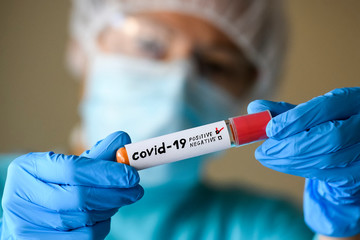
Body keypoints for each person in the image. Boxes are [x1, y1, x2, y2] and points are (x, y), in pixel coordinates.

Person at [0, 0, 359, 239]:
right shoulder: (10, 194)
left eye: (215, 66)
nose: (177, 81)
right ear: (85, 48)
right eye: (149, 44)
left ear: (248, 88)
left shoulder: (262, 227)